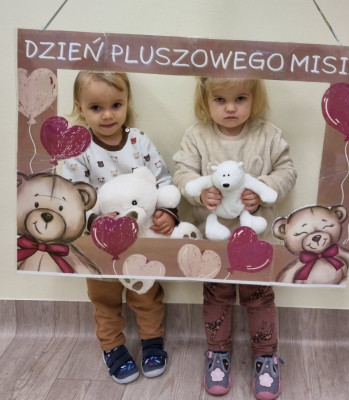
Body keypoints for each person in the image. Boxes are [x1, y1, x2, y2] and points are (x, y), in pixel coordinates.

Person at [173, 77, 297, 399]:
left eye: (240, 98)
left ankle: (266, 356)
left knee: (260, 298)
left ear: (254, 98)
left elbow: (287, 172)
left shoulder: (268, 135)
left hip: (257, 241)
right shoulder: (197, 136)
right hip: (214, 242)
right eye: (220, 99)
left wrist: (263, 188)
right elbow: (182, 174)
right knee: (217, 297)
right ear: (205, 100)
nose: (231, 108)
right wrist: (200, 194)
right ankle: (217, 352)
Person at [63, 71, 176, 384]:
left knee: (147, 294)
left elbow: (163, 180)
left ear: (127, 103)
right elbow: (72, 196)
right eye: (96, 107)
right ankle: (112, 346)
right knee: (105, 298)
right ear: (80, 108)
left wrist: (167, 212)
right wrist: (94, 220)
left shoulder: (139, 141)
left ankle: (152, 341)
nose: (108, 115)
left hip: (141, 238)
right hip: (99, 242)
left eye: (116, 105)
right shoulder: (79, 149)